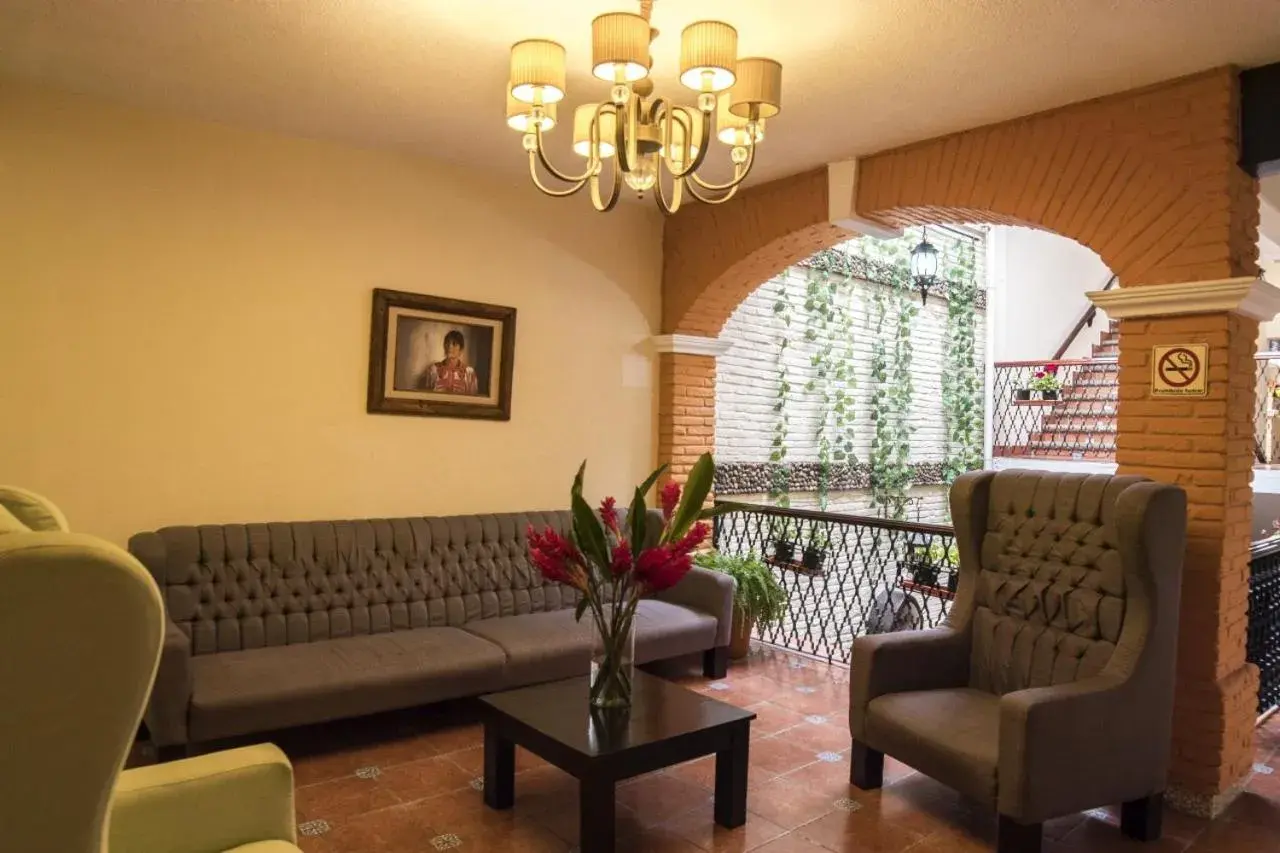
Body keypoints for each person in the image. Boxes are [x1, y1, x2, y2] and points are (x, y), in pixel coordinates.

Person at [420, 329, 479, 395]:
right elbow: (427, 396)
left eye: (454, 344)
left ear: (461, 349)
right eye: (447, 343)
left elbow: (473, 400)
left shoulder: (469, 372)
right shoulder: (433, 370)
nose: (449, 346)